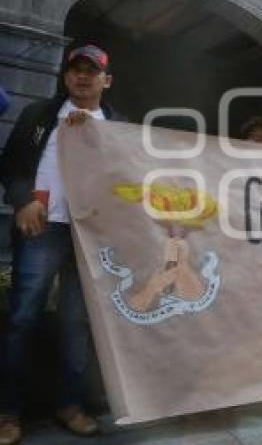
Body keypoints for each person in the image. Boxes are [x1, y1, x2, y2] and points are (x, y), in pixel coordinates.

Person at [0, 45, 123, 443]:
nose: (82, 76)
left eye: (92, 70)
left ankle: (70, 405)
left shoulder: (120, 127)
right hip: (42, 230)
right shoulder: (39, 115)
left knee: (77, 324)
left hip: (91, 236)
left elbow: (131, 179)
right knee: (22, 317)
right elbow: (12, 165)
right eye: (75, 69)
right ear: (65, 75)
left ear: (107, 80)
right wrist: (23, 201)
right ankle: (9, 413)